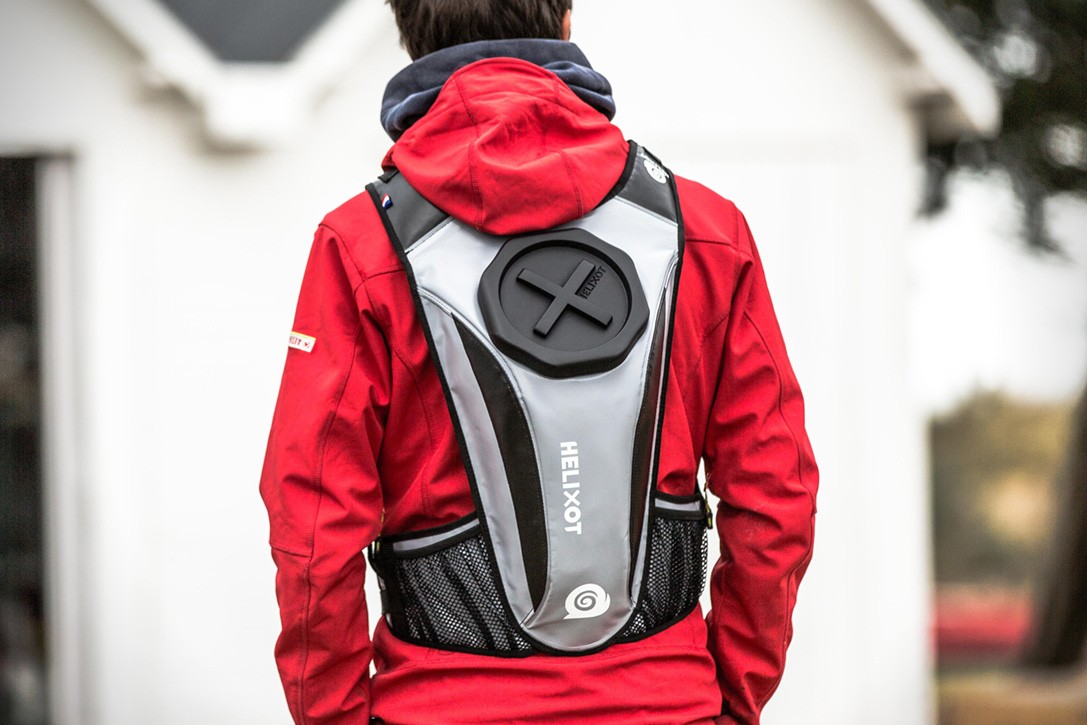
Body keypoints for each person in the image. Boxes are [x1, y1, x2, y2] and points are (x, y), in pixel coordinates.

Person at [259, 1, 818, 723]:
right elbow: (777, 492)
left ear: (407, 32)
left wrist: (332, 714)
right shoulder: (703, 231)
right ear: (566, 20)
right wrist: (730, 700)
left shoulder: (361, 246)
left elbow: (311, 523)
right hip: (668, 704)